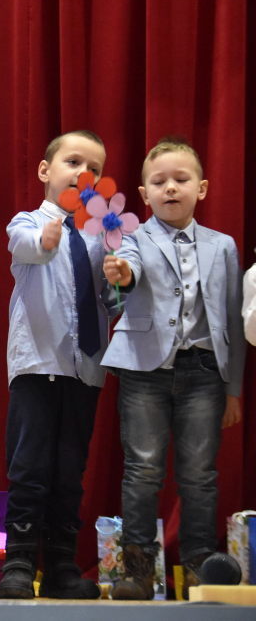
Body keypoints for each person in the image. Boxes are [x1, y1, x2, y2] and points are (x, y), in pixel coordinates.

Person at [102, 138, 244, 600]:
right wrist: (122, 276)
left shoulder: (223, 246)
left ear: (201, 188)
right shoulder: (132, 239)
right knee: (142, 469)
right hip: (144, 371)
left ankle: (201, 566)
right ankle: (138, 571)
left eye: (181, 179)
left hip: (204, 372)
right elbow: (122, 282)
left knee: (200, 473)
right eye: (159, 181)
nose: (170, 188)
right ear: (144, 194)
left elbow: (233, 320)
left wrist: (233, 389)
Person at [0, 130, 114, 600]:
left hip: (85, 368)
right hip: (38, 363)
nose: (84, 174)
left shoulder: (101, 235)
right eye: (74, 162)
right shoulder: (27, 221)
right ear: (46, 171)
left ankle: (63, 563)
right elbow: (27, 245)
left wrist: (121, 277)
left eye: (95, 169)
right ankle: (19, 561)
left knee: (70, 468)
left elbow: (111, 297)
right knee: (29, 465)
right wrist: (48, 235)